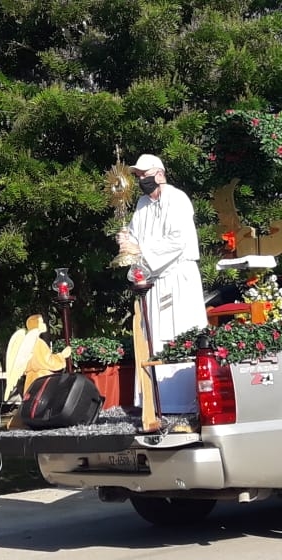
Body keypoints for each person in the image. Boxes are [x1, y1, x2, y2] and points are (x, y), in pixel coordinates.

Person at [119, 154, 208, 412]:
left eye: (144, 175)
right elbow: (135, 238)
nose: (141, 180)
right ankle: (154, 403)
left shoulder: (177, 199)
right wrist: (126, 245)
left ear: (159, 174)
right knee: (153, 338)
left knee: (176, 335)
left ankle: (182, 403)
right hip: (152, 281)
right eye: (137, 176)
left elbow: (178, 240)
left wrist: (140, 248)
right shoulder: (142, 204)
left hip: (178, 278)